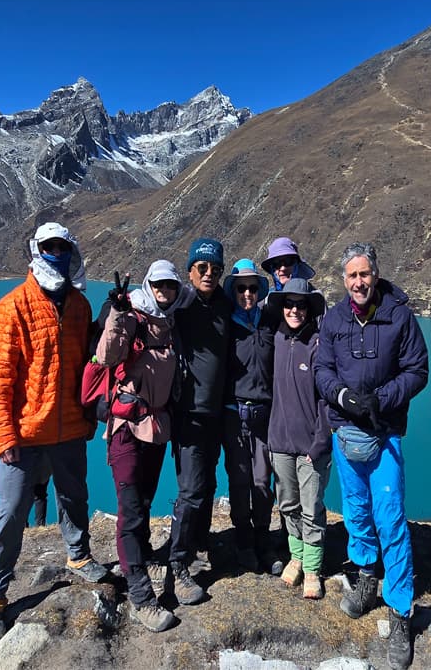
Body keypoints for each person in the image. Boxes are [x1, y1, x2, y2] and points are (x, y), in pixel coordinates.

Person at [0, 223, 107, 644]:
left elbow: (90, 364)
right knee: (11, 511)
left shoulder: (80, 306)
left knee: (75, 496)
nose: (57, 255)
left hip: (69, 426)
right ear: (36, 251)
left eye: (63, 248)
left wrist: (87, 417)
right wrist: (3, 436)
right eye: (49, 248)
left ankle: (78, 555)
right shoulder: (11, 307)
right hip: (26, 434)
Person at [314, 242, 429, 670]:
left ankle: (400, 610)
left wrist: (380, 399)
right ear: (343, 281)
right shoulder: (335, 319)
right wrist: (344, 396)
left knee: (391, 518)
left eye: (364, 274)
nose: (358, 282)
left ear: (375, 275)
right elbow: (323, 370)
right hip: (347, 431)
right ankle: (365, 579)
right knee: (356, 512)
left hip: (384, 434)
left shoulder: (399, 314)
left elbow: (418, 370)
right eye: (351, 276)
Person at [93, 259, 194, 632]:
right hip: (127, 428)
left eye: (170, 286)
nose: (165, 292)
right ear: (150, 286)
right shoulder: (133, 316)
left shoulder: (170, 322)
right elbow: (106, 355)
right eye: (159, 285)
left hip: (156, 426)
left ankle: (141, 555)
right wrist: (118, 314)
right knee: (131, 510)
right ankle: (140, 596)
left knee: (145, 501)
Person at [168, 237, 231, 604]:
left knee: (208, 484)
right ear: (190, 270)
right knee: (190, 490)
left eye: (214, 269)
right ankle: (177, 563)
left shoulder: (225, 304)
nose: (209, 274)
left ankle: (200, 542)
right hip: (188, 414)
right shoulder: (181, 303)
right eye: (202, 268)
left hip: (218, 412)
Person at [266, 277, 332, 600]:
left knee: (311, 508)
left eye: (301, 305)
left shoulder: (319, 344)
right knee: (288, 505)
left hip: (310, 446)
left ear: (309, 309)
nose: (294, 310)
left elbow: (326, 400)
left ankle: (313, 569)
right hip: (279, 441)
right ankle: (296, 557)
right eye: (289, 304)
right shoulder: (276, 339)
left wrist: (321, 441)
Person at [220, 259, 279, 574]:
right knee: (239, 480)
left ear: (259, 291)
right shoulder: (227, 324)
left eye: (252, 288)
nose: (247, 293)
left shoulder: (269, 322)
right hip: (233, 415)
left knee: (262, 481)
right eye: (241, 288)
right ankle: (244, 542)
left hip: (263, 415)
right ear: (234, 290)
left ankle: (263, 540)